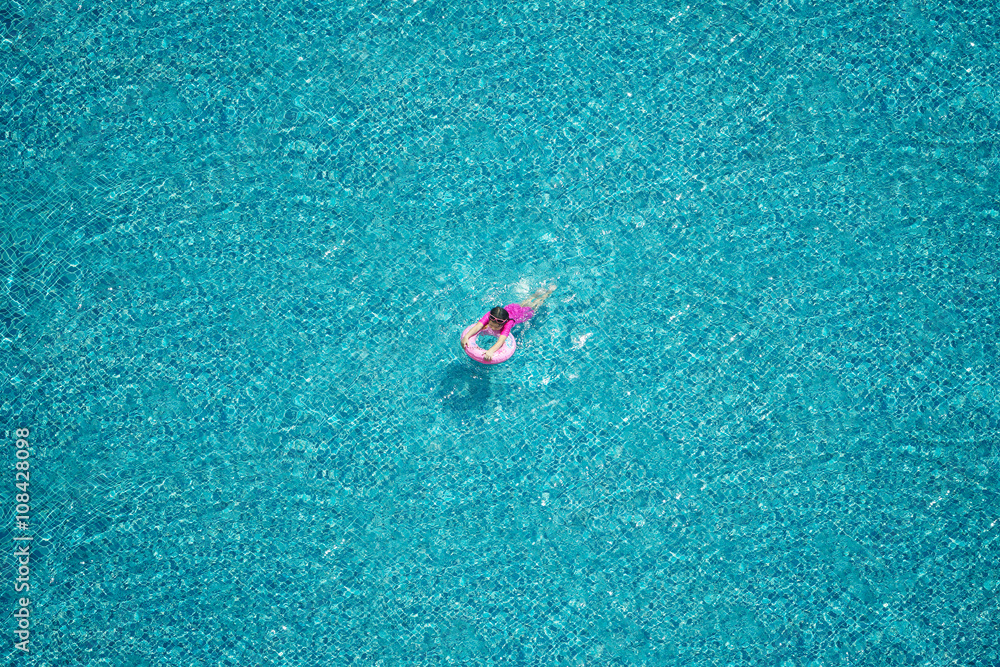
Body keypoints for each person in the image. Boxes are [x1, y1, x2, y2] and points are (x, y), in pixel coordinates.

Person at [460, 285, 556, 361]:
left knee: (534, 305)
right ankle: (534, 295)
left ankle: (547, 293)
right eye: (491, 324)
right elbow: (478, 326)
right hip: (511, 309)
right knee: (523, 303)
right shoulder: (490, 315)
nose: (492, 328)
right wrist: (466, 336)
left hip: (519, 316)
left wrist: (491, 351)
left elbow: (501, 341)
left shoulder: (508, 324)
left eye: (496, 327)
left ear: (502, 324)